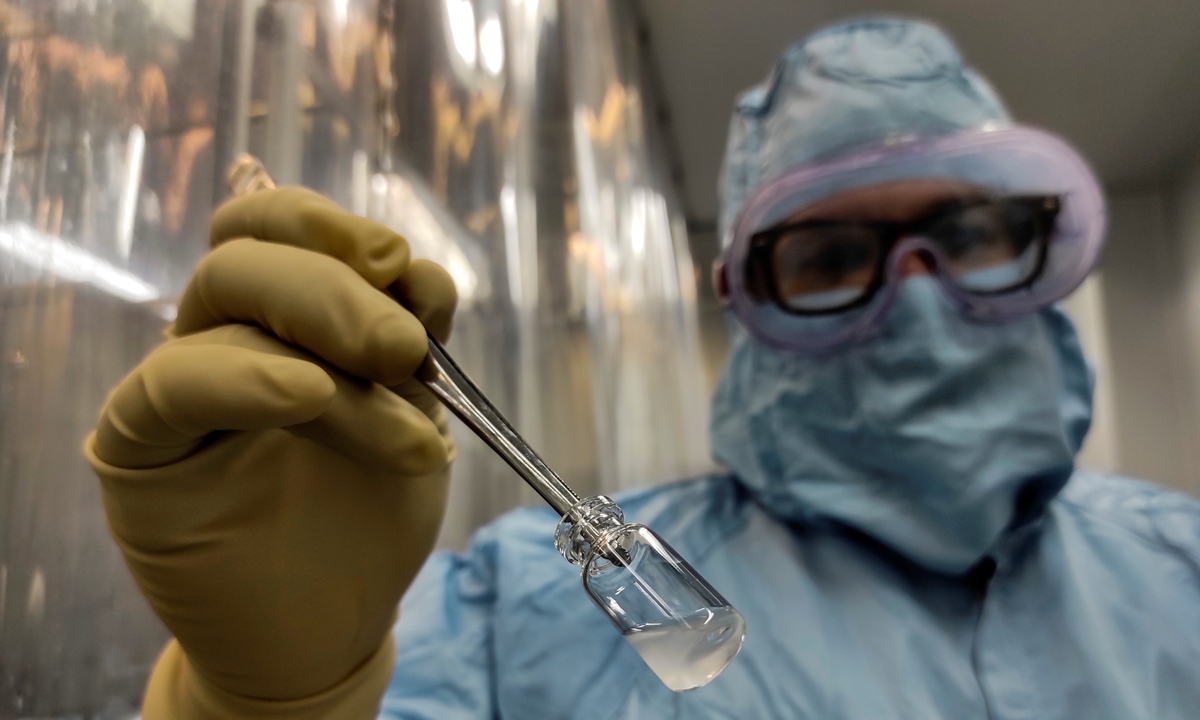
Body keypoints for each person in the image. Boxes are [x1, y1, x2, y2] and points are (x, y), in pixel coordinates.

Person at [86, 18, 1200, 720]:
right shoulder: (509, 613)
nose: (914, 300)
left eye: (968, 235)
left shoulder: (1182, 572)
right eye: (829, 256)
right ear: (747, 299)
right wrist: (272, 707)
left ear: (1043, 253)